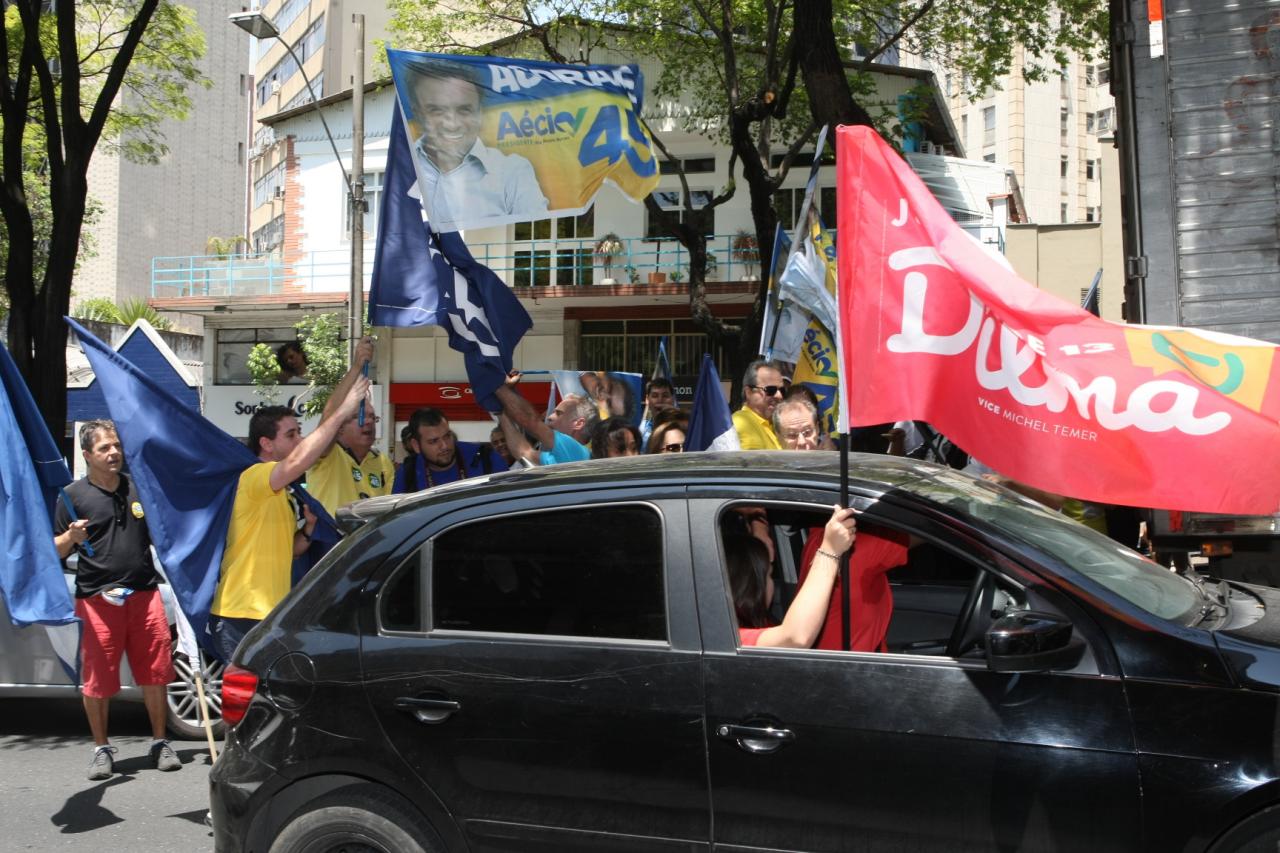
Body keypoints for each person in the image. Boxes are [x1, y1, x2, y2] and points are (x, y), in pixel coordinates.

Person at [209, 373, 371, 664]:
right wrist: (344, 412)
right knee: (247, 704)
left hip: (270, 612)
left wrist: (308, 529)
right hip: (241, 613)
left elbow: (291, 550)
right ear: (266, 444)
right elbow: (301, 460)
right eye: (291, 434)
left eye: (299, 431)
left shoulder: (283, 491)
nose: (300, 439)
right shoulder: (254, 477)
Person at [54, 420, 183, 780]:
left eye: (115, 446)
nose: (113, 453)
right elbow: (53, 551)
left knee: (155, 674)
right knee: (97, 680)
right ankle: (101, 749)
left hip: (144, 594)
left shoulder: (136, 487)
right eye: (103, 449)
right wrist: (70, 537)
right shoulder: (71, 496)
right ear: (87, 456)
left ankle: (160, 743)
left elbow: (163, 536)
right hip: (97, 600)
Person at [406, 59, 548, 231]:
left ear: (479, 113)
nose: (452, 124)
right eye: (436, 111)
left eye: (464, 110)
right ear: (417, 113)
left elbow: (533, 234)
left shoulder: (512, 172)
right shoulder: (403, 168)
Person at [728, 505, 857, 648]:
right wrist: (830, 550)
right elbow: (795, 637)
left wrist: (758, 525)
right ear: (751, 585)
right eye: (769, 575)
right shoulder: (732, 640)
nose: (771, 583)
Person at [307, 340, 395, 516]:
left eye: (372, 417)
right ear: (339, 427)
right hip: (331, 541)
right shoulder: (328, 454)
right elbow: (328, 420)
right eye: (358, 417)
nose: (368, 422)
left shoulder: (382, 462)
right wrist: (356, 367)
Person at [393, 407, 509, 492]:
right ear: (416, 446)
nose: (444, 446)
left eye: (447, 436)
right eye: (433, 441)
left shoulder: (485, 457)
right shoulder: (408, 473)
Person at [496, 371, 595, 466]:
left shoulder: (576, 452)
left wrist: (498, 386)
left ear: (578, 423)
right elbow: (523, 453)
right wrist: (499, 411)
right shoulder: (565, 455)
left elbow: (530, 421)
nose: (550, 417)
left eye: (558, 413)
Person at [733, 359, 785, 450]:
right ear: (748, 392)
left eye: (782, 390)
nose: (779, 395)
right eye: (771, 390)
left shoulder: (776, 424)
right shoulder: (743, 422)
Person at [639, 377, 676, 447]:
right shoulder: (640, 431)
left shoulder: (684, 427)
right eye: (655, 396)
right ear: (647, 400)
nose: (660, 400)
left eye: (665, 396)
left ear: (673, 399)